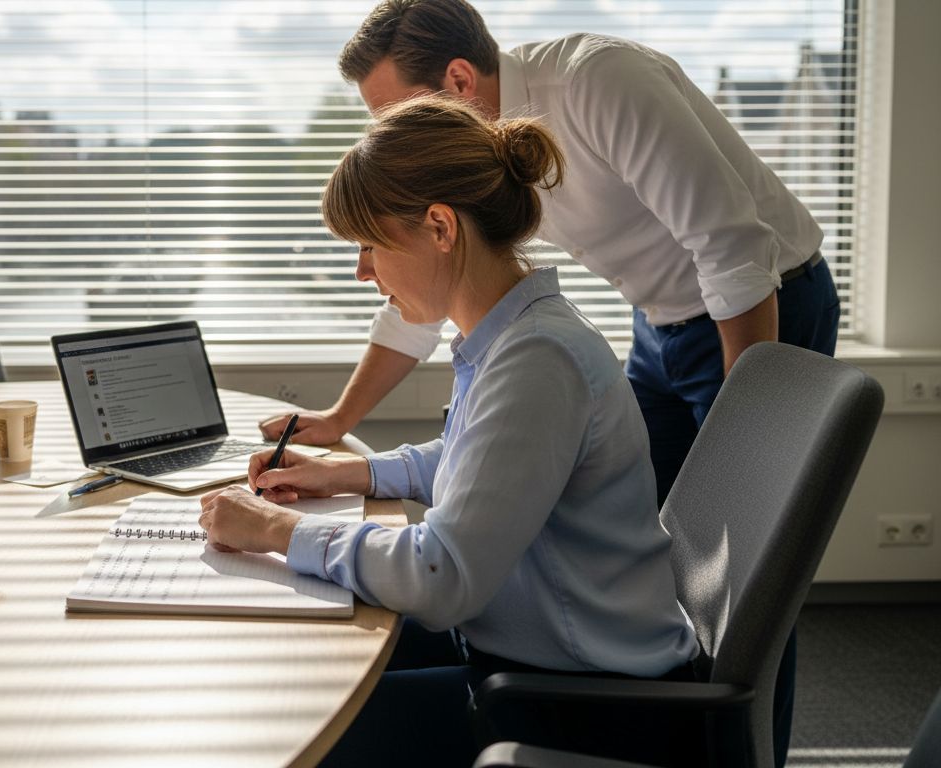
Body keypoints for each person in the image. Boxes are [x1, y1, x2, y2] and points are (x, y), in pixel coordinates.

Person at [256, 5, 838, 760]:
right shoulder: (502, 318)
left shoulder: (599, 84)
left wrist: (743, 442)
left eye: (405, 113)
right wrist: (342, 431)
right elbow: (464, 404)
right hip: (661, 318)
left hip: (761, 301)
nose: (402, 136)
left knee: (748, 564)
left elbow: (732, 252)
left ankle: (736, 740)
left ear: (459, 80)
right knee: (646, 544)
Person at [202, 95, 699, 767]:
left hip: (582, 707)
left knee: (285, 731)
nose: (363, 272)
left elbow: (440, 575)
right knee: (290, 670)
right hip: (530, 657)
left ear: (440, 227)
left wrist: (270, 529)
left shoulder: (537, 358)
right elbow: (484, 465)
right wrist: (355, 472)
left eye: (370, 245)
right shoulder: (513, 335)